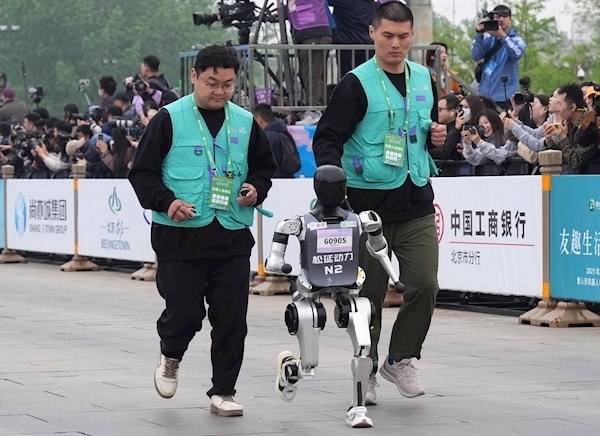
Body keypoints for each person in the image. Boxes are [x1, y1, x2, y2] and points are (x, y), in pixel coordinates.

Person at [128, 43, 277, 417]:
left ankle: (223, 390)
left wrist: (256, 188)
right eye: (212, 83)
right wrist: (166, 202)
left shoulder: (245, 122)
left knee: (231, 319)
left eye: (228, 84)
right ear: (194, 76)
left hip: (231, 234)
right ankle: (171, 355)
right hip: (180, 236)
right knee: (185, 313)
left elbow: (264, 168)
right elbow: (142, 173)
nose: (220, 91)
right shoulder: (169, 119)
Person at [312, 1, 447, 407]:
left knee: (425, 284)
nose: (396, 44)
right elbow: (327, 137)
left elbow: (421, 133)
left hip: (416, 199)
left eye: (403, 36)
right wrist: (331, 180)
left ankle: (400, 358)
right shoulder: (355, 83)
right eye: (388, 35)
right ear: (372, 34)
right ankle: (366, 368)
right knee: (368, 297)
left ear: (412, 36)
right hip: (367, 208)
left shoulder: (424, 78)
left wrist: (437, 137)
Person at [266, 165, 403, 428]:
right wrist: (279, 265)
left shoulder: (361, 220)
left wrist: (393, 275)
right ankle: (292, 369)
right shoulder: (299, 223)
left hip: (350, 285)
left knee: (364, 345)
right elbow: (274, 259)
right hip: (310, 288)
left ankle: (358, 407)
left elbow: (379, 249)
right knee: (310, 359)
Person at [471, 4, 526, 111]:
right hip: (484, 95)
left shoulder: (517, 40)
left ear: (510, 19)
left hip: (505, 96)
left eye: (504, 16)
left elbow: (517, 54)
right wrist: (479, 34)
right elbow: (476, 55)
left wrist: (503, 37)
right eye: (497, 17)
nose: (501, 19)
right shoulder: (487, 39)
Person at [287, 0, 333, 126]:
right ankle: (319, 110)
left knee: (312, 74)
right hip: (311, 31)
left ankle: (314, 110)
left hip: (313, 30)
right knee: (314, 74)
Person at [544, 83, 600, 174]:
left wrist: (563, 138)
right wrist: (549, 141)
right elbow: (566, 151)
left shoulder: (589, 126)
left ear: (572, 107)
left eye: (560, 104)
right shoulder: (569, 124)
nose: (558, 109)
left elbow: (575, 161)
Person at [329, 0, 378, 77]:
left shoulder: (345, 2)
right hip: (368, 46)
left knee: (347, 79)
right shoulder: (371, 4)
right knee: (367, 78)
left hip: (348, 46)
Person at [252, 103, 296, 178]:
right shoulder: (284, 132)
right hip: (287, 178)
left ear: (258, 119)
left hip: (274, 179)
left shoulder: (267, 137)